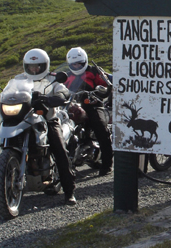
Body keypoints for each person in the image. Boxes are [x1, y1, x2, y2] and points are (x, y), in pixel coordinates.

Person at [22, 48, 77, 204]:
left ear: (44, 65)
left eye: (37, 66)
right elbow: (9, 91)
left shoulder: (53, 79)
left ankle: (69, 191)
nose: (34, 69)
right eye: (31, 66)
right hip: (25, 120)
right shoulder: (19, 79)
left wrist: (58, 97)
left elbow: (63, 91)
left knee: (59, 151)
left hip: (48, 119)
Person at [64, 47, 113, 177]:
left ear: (84, 61)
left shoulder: (94, 71)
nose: (77, 66)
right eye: (74, 64)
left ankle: (107, 164)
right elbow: (56, 86)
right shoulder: (67, 75)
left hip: (92, 104)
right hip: (71, 106)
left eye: (79, 63)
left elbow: (108, 81)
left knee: (100, 128)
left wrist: (104, 88)